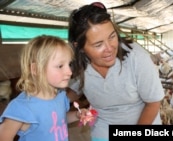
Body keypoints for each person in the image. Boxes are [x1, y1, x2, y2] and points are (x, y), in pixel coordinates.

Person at [67, 2, 165, 141]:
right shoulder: (80, 65)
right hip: (104, 130)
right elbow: (71, 93)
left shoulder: (136, 57)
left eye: (112, 36)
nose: (110, 48)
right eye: (98, 44)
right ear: (80, 48)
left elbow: (153, 103)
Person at [0, 35, 85, 141]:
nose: (69, 72)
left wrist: (77, 115)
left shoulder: (60, 96)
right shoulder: (22, 107)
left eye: (69, 64)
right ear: (35, 69)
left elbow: (58, 121)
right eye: (60, 66)